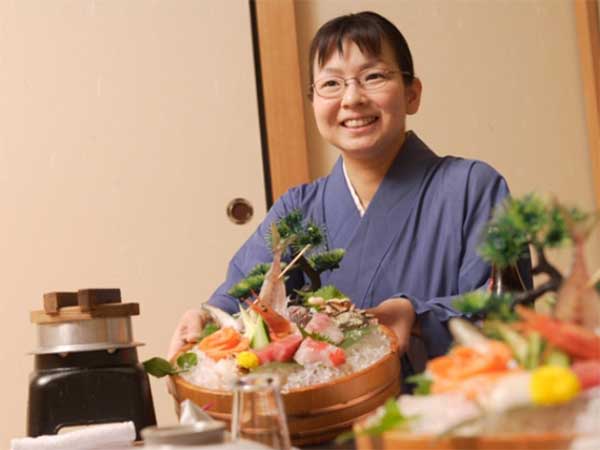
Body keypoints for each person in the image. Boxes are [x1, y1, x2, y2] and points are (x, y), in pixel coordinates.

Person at [168, 11, 531, 379]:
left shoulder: (472, 186)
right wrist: (205, 318)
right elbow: (244, 302)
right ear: (313, 102)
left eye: (373, 76)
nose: (352, 98)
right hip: (322, 425)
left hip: (444, 417)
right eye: (331, 84)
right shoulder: (299, 209)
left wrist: (417, 317)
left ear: (412, 94)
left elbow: (508, 309)